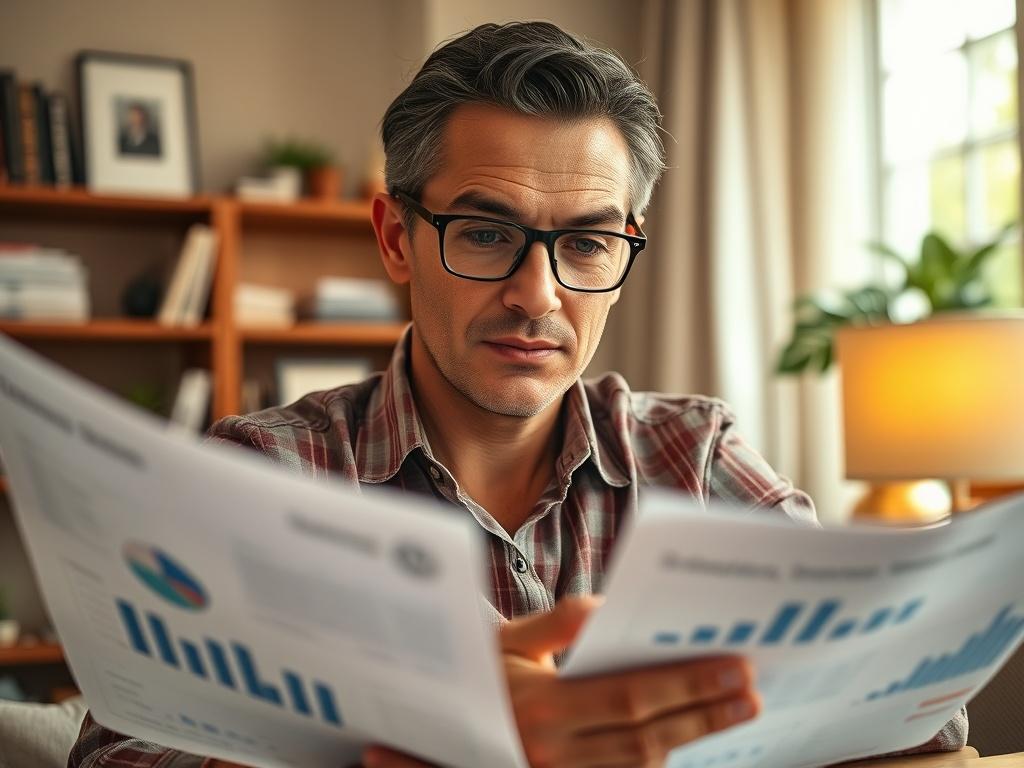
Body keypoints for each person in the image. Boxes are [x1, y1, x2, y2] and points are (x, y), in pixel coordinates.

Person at [70, 21, 967, 768]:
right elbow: (117, 755)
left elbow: (908, 706)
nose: (539, 295)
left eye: (585, 244)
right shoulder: (262, 474)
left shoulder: (691, 455)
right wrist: (414, 724)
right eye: (488, 231)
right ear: (395, 238)